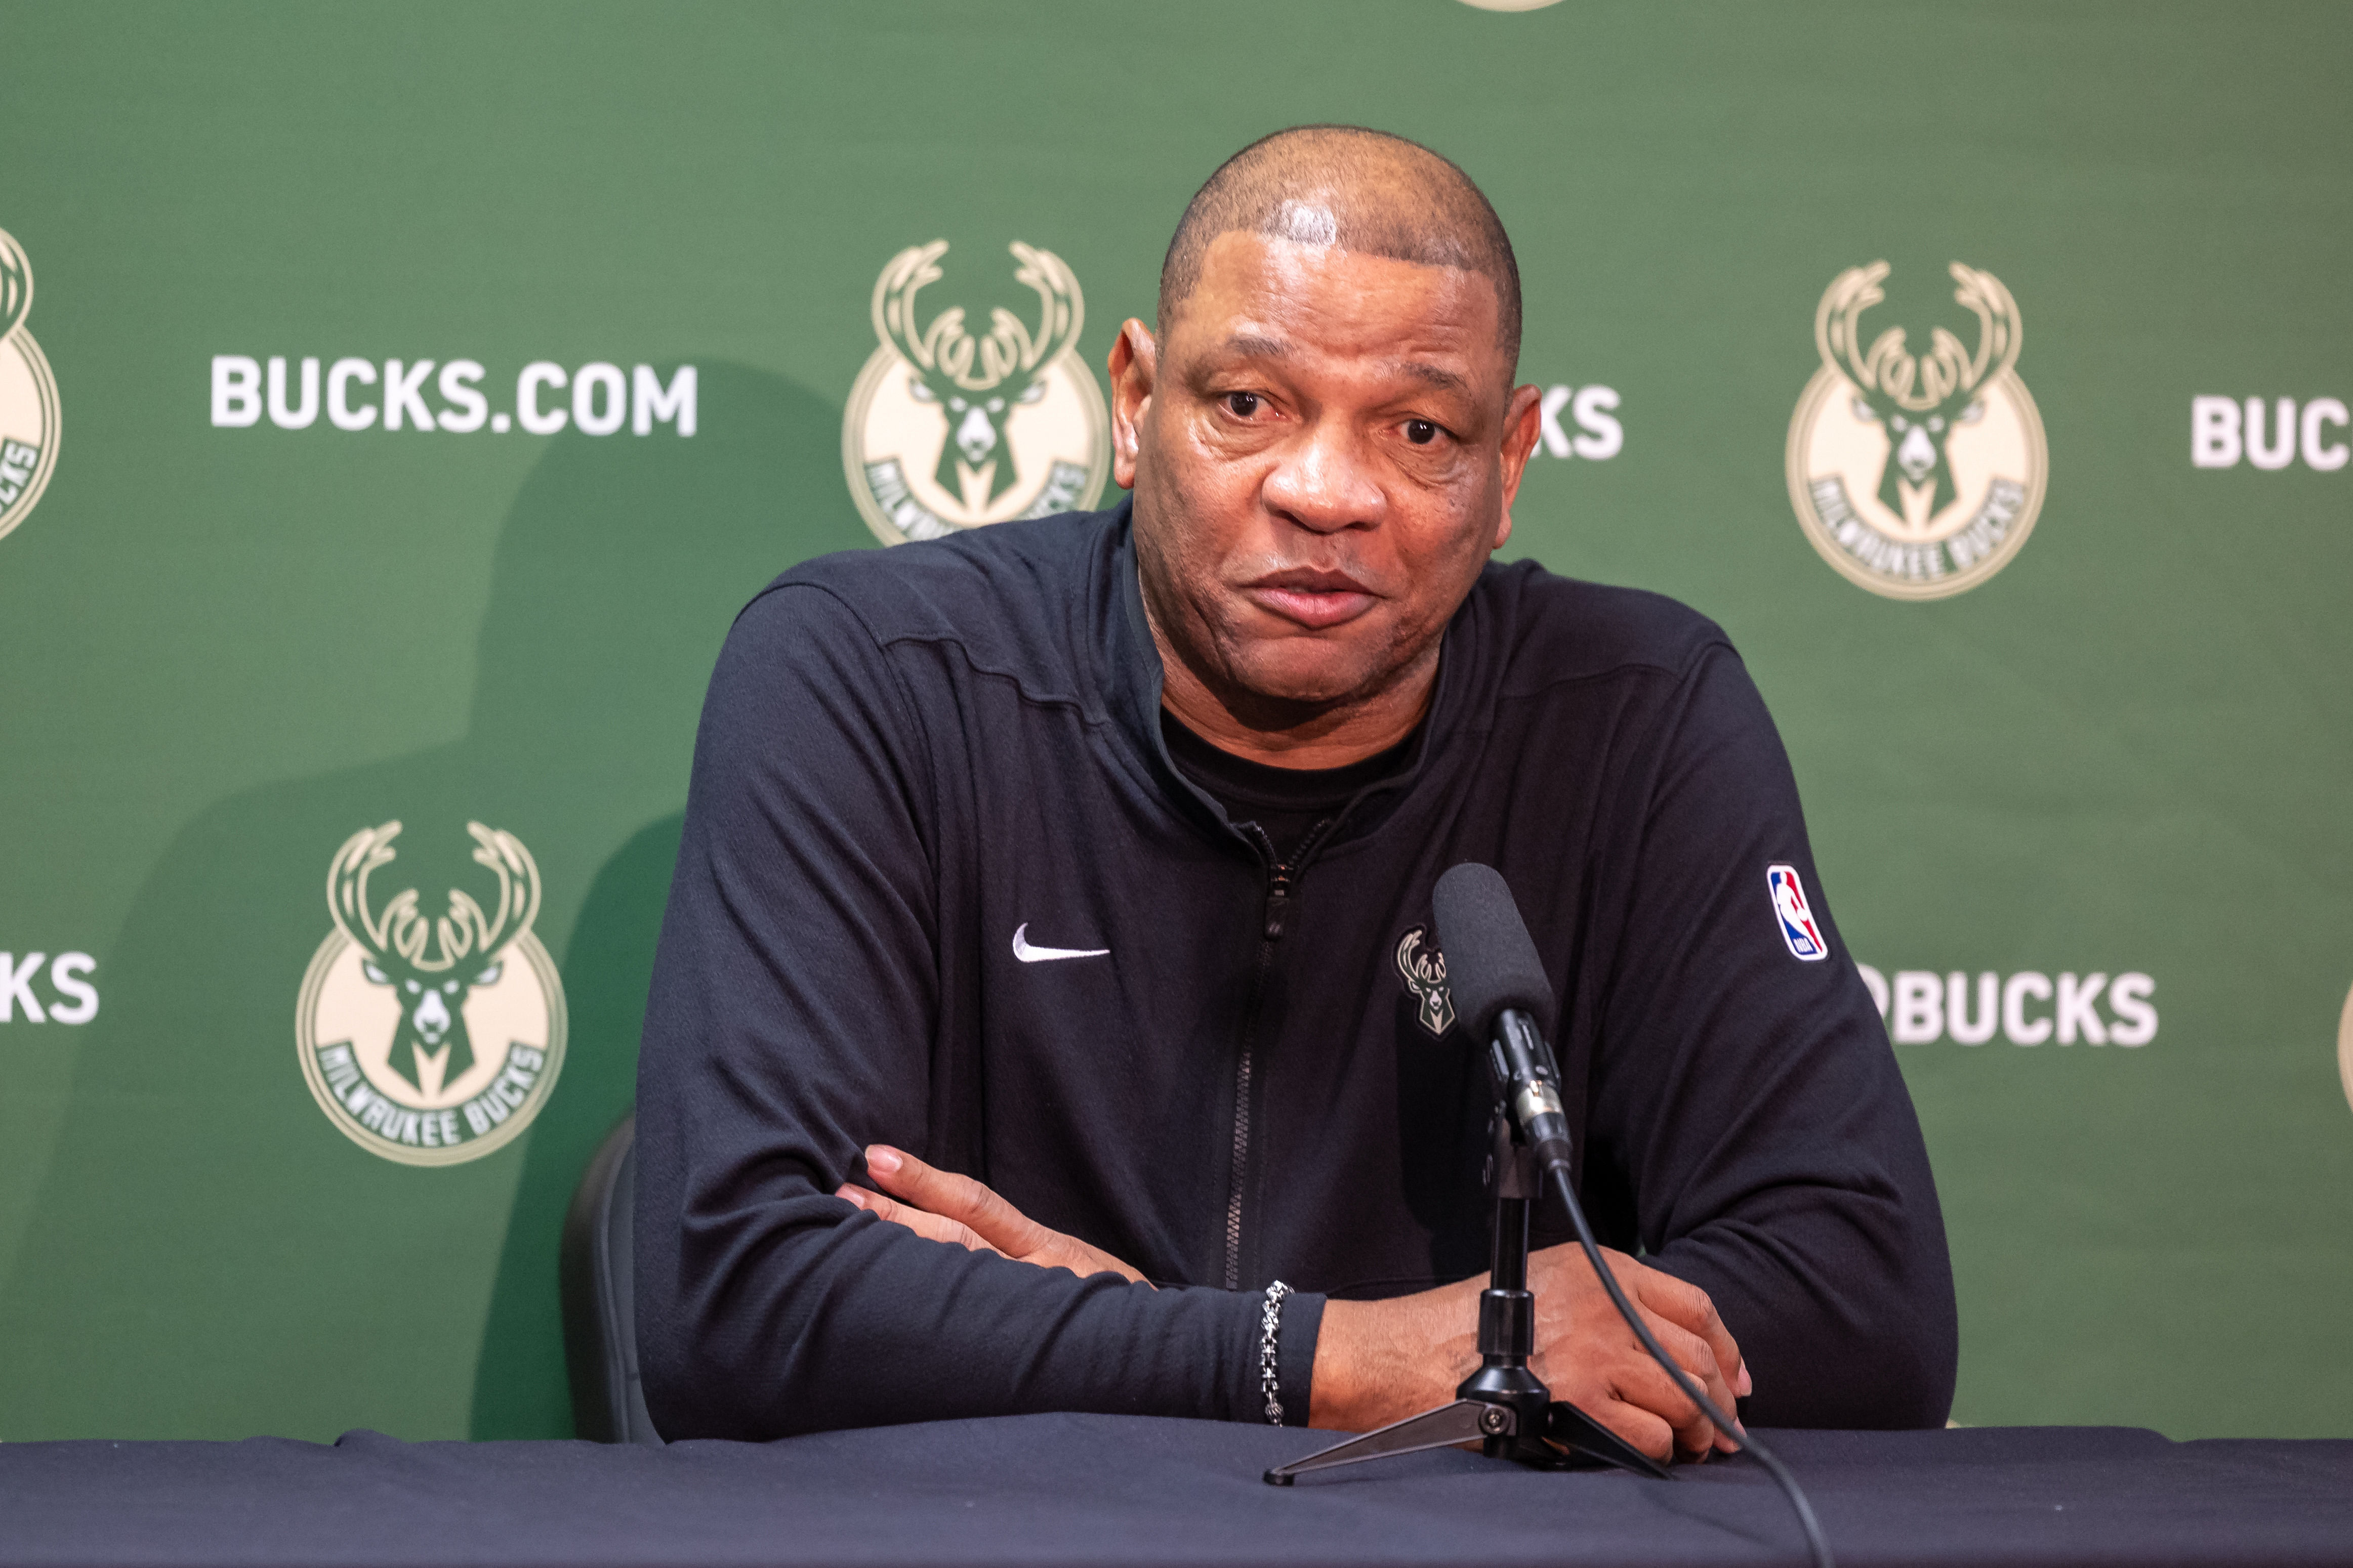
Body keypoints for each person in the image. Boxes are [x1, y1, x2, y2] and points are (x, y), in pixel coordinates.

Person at [635, 125, 1956, 1462]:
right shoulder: (876, 677)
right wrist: (1355, 1358)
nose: (1325, 493)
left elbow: (1862, 1312)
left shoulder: (1636, 718)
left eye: (1420, 430)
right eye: (1247, 404)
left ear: (1507, 464)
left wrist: (1143, 1341)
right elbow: (734, 1300)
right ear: (1136, 404)